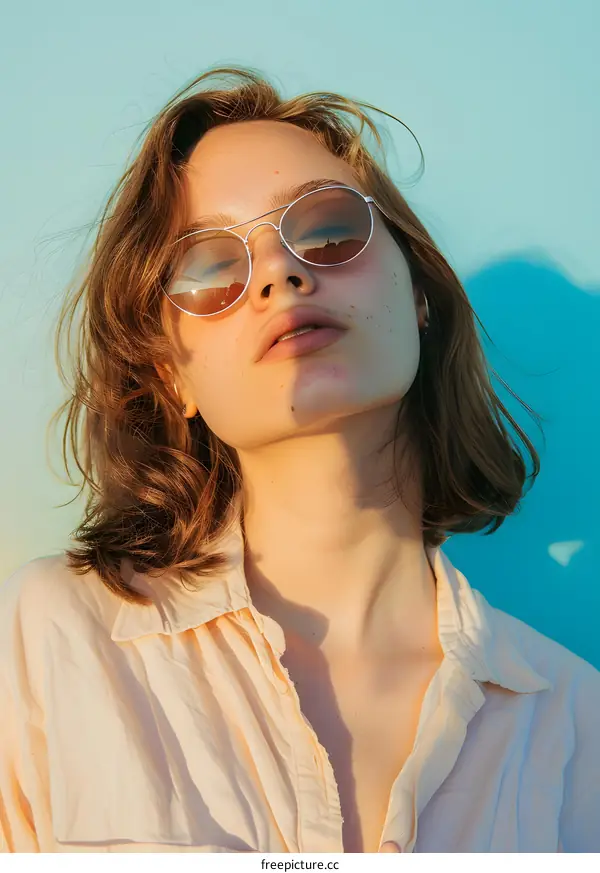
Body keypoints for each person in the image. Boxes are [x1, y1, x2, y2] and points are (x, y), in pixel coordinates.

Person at [0, 66, 598, 855]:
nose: (282, 275)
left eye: (327, 230)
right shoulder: (52, 639)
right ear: (170, 373)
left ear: (419, 292)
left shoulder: (572, 724)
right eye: (210, 269)